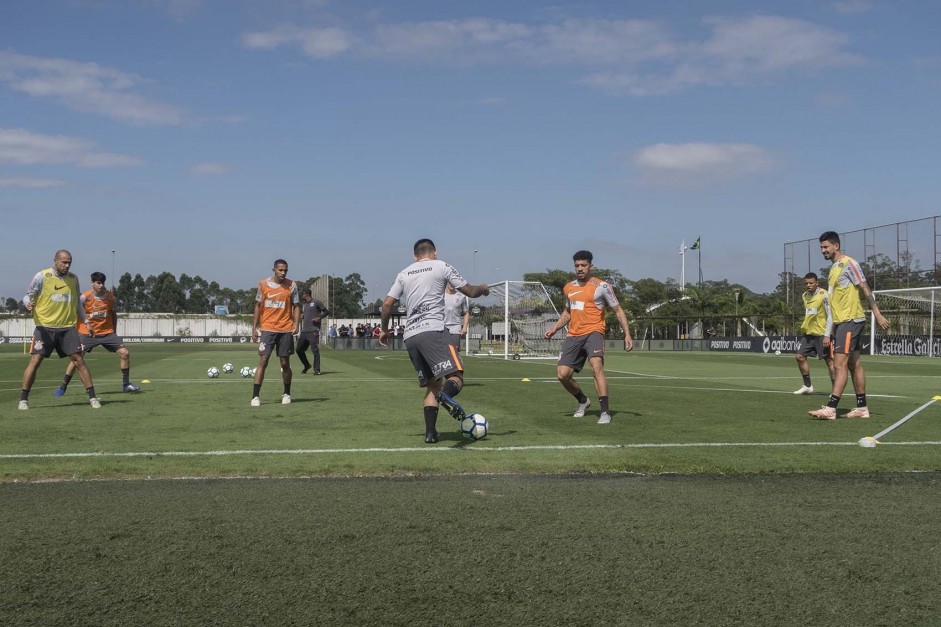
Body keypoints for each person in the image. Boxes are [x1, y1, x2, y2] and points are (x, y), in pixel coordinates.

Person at [378, 238, 490, 443]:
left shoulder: (404, 273)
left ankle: (430, 433)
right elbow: (471, 292)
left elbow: (386, 305)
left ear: (415, 256)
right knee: (456, 376)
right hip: (434, 331)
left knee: (432, 385)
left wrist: (384, 330)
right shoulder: (441, 266)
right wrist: (483, 288)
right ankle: (447, 397)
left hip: (411, 337)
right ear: (435, 252)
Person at [544, 250, 633, 425]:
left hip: (594, 332)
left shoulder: (602, 286)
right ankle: (583, 401)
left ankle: (605, 412)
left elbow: (618, 310)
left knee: (596, 366)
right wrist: (554, 328)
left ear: (591, 266)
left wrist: (627, 334)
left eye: (583, 265)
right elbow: (568, 312)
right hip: (573, 335)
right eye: (577, 265)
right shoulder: (569, 287)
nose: (580, 268)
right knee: (562, 375)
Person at [809, 231, 890, 420]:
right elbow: (833, 303)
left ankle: (831, 407)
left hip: (851, 320)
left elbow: (864, 287)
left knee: (839, 364)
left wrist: (877, 313)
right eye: (821, 247)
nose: (823, 251)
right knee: (854, 363)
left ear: (836, 246)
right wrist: (828, 332)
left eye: (826, 247)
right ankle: (862, 407)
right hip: (841, 323)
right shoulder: (833, 269)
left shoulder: (849, 263)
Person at [18, 250, 100, 410]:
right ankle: (23, 399)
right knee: (35, 361)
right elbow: (28, 295)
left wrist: (86, 321)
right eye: (64, 262)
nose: (67, 265)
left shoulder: (73, 279)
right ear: (55, 261)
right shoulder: (42, 276)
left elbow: (77, 304)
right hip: (44, 327)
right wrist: (27, 303)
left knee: (79, 361)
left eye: (69, 262)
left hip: (67, 328)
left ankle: (93, 398)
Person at [54, 271, 141, 397]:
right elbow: (74, 309)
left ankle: (126, 385)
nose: (101, 285)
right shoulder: (85, 297)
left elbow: (113, 313)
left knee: (125, 353)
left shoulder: (109, 297)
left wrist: (114, 331)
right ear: (92, 283)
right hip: (87, 333)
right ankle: (63, 386)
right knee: (77, 359)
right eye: (98, 283)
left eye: (102, 283)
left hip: (107, 333)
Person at [250, 259, 301, 406]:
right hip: (267, 329)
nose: (283, 272)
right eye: (280, 270)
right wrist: (254, 328)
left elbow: (296, 306)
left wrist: (296, 324)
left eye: (285, 270)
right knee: (263, 361)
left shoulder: (291, 285)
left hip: (285, 329)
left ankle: (286, 393)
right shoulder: (263, 284)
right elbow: (258, 305)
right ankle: (255, 397)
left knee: (285, 363)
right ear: (274, 270)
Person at [793, 272, 834, 395]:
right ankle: (807, 386)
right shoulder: (804, 295)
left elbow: (830, 315)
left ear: (817, 283)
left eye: (811, 283)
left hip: (822, 334)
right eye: (806, 283)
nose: (808, 285)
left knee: (830, 362)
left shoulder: (824, 295)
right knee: (799, 356)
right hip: (809, 334)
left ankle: (836, 390)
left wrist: (827, 334)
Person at [296, 287, 330, 375]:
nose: (302, 295)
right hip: (304, 330)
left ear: (306, 294)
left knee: (315, 350)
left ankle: (317, 370)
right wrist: (303, 315)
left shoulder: (316, 302)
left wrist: (319, 317)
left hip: (313, 330)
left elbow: (326, 312)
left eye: (303, 294)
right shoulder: (304, 304)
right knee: (299, 350)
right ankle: (307, 365)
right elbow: (308, 313)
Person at [443, 283, 469, 351]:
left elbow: (466, 313)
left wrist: (465, 327)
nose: (452, 284)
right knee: (443, 351)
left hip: (455, 327)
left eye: (453, 283)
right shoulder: (440, 295)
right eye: (450, 283)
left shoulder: (461, 296)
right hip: (442, 327)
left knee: (454, 351)